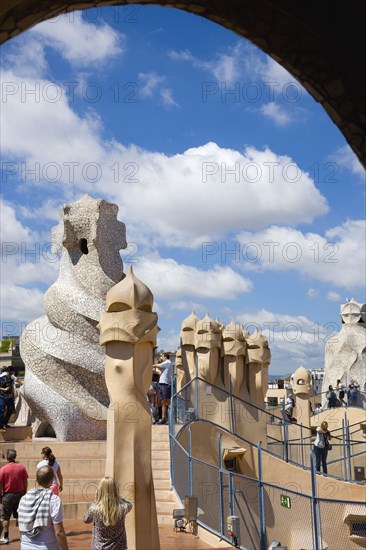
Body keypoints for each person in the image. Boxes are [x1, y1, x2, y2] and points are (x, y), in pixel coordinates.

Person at [18, 465, 69, 550]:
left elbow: (21, 524)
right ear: (51, 481)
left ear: (37, 479)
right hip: (47, 546)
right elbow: (59, 532)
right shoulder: (54, 500)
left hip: (26, 546)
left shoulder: (24, 498)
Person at [83, 477, 132, 550]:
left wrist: (96, 500)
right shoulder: (122, 508)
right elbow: (130, 504)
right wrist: (117, 497)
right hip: (118, 547)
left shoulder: (95, 509)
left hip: (99, 547)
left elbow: (86, 519)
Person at [0, 448, 28, 544]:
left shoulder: (3, 469)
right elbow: (25, 481)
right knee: (20, 516)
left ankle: (6, 537)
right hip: (20, 494)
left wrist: (0, 496)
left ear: (7, 457)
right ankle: (22, 537)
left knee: (6, 518)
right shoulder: (21, 467)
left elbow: (0, 485)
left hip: (7, 495)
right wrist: (24, 491)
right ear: (15, 456)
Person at [153, 353, 173, 425]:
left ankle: (170, 417)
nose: (161, 357)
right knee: (163, 402)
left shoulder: (167, 362)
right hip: (162, 384)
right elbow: (161, 372)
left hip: (165, 384)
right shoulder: (166, 364)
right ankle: (164, 418)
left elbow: (157, 365)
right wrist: (155, 371)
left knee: (167, 401)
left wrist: (149, 365)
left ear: (165, 356)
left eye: (162, 356)